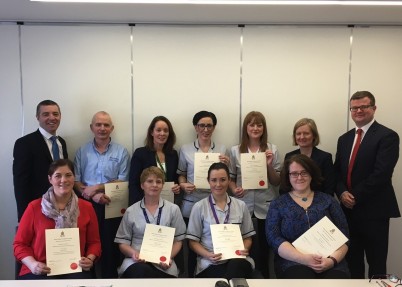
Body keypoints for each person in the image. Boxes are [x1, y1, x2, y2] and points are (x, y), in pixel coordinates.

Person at [334, 91, 400, 278]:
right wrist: (342, 193)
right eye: (354, 108)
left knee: (377, 263)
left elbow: (382, 174)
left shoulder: (388, 136)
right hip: (348, 211)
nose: (359, 110)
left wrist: (353, 196)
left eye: (363, 106)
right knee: (352, 262)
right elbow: (337, 172)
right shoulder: (344, 139)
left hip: (375, 211)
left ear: (374, 108)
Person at [13, 159, 101, 280]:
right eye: (58, 176)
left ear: (74, 178)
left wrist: (90, 259)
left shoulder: (87, 207)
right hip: (40, 268)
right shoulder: (34, 207)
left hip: (75, 268)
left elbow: (94, 243)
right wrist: (32, 264)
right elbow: (19, 244)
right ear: (50, 179)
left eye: (68, 175)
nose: (63, 180)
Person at [266, 154, 349, 279]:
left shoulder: (329, 201)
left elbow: (344, 235)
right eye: (294, 173)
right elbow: (274, 238)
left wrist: (332, 260)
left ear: (311, 174)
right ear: (288, 177)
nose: (299, 177)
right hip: (292, 261)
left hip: (330, 260)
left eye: (304, 172)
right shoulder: (278, 204)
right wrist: (303, 259)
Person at [74, 111, 130, 278]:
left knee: (109, 249)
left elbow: (123, 181)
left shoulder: (121, 152)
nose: (102, 128)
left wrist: (98, 188)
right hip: (86, 205)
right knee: (85, 247)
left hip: (111, 205)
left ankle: (110, 280)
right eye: (98, 124)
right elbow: (76, 181)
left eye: (106, 125)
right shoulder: (82, 151)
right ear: (92, 127)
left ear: (112, 128)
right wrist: (92, 195)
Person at [228, 111, 281, 278]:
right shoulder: (235, 150)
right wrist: (234, 188)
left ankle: (264, 279)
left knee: (265, 251)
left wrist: (269, 165)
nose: (255, 128)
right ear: (246, 128)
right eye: (251, 124)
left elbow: (276, 181)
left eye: (259, 125)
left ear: (264, 128)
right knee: (243, 249)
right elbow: (230, 178)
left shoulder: (272, 149)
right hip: (242, 205)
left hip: (265, 206)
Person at [177, 110, 229, 276]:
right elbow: (181, 173)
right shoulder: (185, 149)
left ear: (214, 127)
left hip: (216, 203)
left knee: (211, 244)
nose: (205, 129)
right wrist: (183, 184)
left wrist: (227, 163)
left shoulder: (221, 149)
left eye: (209, 126)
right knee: (192, 247)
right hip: (191, 204)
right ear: (195, 127)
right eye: (202, 125)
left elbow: (225, 174)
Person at [186, 162, 256, 280]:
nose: (218, 184)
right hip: (210, 262)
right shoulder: (199, 207)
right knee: (229, 275)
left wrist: (244, 248)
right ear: (208, 181)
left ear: (229, 180)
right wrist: (208, 255)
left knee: (236, 265)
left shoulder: (241, 205)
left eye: (223, 180)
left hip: (237, 259)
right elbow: (192, 242)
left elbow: (247, 237)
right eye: (214, 180)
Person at [115, 166, 186, 278]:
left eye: (158, 182)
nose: (154, 185)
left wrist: (168, 257)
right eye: (150, 181)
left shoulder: (173, 209)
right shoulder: (131, 211)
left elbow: (178, 241)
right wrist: (134, 254)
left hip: (163, 264)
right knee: (141, 271)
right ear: (142, 185)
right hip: (136, 262)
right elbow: (122, 243)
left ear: (163, 185)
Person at [13, 100, 68, 222]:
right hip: (38, 209)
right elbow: (20, 183)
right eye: (46, 114)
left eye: (55, 114)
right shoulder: (24, 143)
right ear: (38, 117)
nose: (51, 118)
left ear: (60, 116)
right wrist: (24, 217)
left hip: (62, 208)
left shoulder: (61, 143)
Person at [128, 116, 180, 205]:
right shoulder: (140, 153)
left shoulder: (173, 154)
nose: (162, 133)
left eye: (166, 130)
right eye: (158, 130)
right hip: (145, 204)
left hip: (167, 204)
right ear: (152, 132)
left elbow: (175, 179)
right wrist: (139, 207)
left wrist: (177, 187)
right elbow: (133, 184)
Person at [284, 118, 335, 196]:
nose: (302, 137)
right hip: (293, 203)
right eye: (298, 134)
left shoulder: (325, 158)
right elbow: (285, 186)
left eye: (306, 133)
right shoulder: (289, 157)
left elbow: (329, 188)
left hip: (319, 204)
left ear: (314, 135)